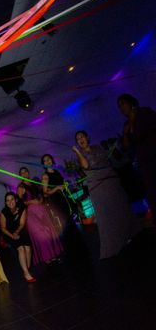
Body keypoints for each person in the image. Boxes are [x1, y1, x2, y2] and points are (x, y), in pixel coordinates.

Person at [72, 130, 135, 258]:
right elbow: (86, 166)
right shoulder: (80, 155)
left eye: (82, 136)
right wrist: (77, 152)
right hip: (98, 187)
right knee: (106, 215)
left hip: (110, 183)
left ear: (87, 137)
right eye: (78, 139)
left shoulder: (97, 147)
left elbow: (107, 160)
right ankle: (115, 243)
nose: (80, 139)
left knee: (119, 210)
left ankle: (126, 234)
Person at [118, 93, 156, 221]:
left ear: (131, 103)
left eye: (123, 103)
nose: (121, 107)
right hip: (144, 162)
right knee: (152, 190)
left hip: (154, 154)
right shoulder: (126, 124)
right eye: (119, 106)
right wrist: (125, 133)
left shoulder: (144, 112)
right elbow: (126, 146)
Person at [17, 168, 63, 264]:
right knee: (41, 234)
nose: (24, 173)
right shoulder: (21, 187)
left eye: (26, 171)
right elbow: (20, 203)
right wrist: (31, 202)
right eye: (22, 173)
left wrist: (41, 199)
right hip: (31, 213)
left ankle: (53, 256)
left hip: (41, 210)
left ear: (28, 172)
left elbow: (40, 194)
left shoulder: (33, 183)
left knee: (48, 231)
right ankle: (46, 258)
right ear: (20, 175)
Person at [0, 192, 35, 283]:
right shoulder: (4, 212)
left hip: (20, 230)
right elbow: (3, 228)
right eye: (7, 200)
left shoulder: (22, 208)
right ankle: (26, 273)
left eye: (12, 199)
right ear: (6, 203)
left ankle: (26, 269)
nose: (10, 202)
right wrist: (12, 235)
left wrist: (17, 232)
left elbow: (22, 223)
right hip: (9, 233)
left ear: (15, 200)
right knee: (21, 249)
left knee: (28, 249)